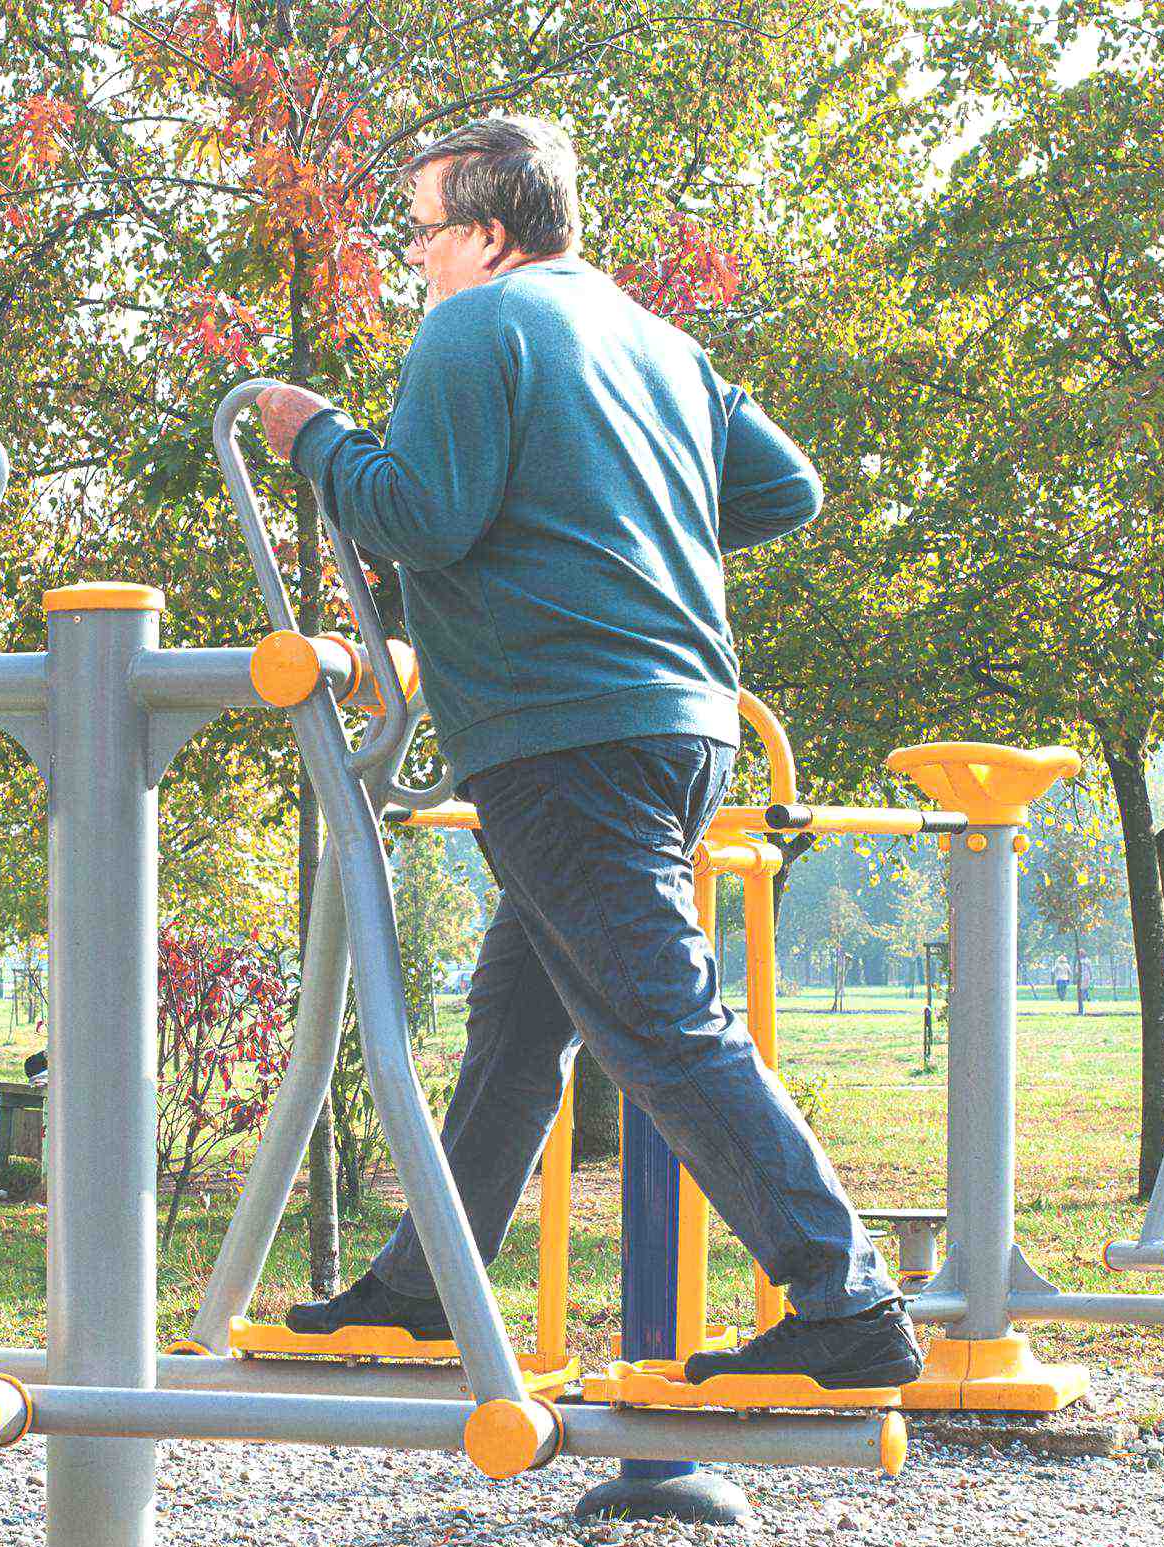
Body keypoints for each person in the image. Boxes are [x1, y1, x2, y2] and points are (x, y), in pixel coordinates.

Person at [256, 116, 919, 1388]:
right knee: (516, 1020)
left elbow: (423, 522)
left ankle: (847, 1303)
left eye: (425, 232)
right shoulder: (659, 339)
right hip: (682, 722)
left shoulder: (474, 326)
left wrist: (318, 439)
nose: (417, 261)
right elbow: (786, 490)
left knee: (663, 1022)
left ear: (490, 234)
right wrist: (609, 500)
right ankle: (425, 1287)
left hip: (564, 726)